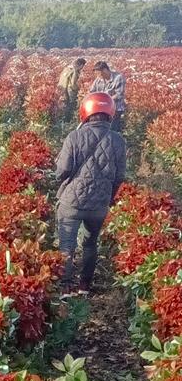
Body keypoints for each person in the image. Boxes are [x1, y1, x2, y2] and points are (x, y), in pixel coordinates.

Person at [54, 91, 127, 295]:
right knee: (90, 244)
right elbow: (120, 176)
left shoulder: (75, 136)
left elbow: (62, 171)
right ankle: (84, 286)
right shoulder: (118, 140)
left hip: (72, 203)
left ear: (85, 111)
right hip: (99, 205)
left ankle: (65, 287)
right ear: (110, 113)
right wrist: (108, 197)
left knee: (66, 246)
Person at [90, 59, 126, 132]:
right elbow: (92, 91)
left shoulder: (118, 78)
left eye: (99, 73)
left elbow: (119, 95)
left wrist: (105, 101)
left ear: (105, 70)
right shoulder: (98, 79)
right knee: (100, 129)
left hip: (115, 108)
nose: (98, 76)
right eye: (97, 74)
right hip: (102, 108)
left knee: (111, 130)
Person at [56, 56, 86, 121]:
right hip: (70, 90)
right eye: (82, 66)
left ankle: (63, 119)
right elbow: (73, 84)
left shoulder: (66, 69)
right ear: (81, 65)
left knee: (64, 105)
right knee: (72, 105)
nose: (82, 68)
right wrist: (79, 89)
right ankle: (69, 120)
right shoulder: (75, 71)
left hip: (61, 88)